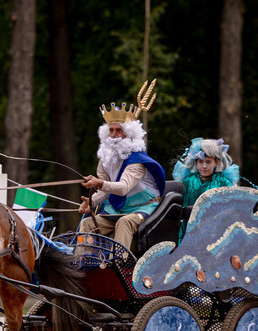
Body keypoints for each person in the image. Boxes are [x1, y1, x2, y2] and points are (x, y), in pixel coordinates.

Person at [78, 81, 168, 254]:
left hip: (143, 208)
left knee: (124, 222)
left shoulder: (138, 160)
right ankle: (81, 264)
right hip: (118, 209)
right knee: (87, 222)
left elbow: (122, 188)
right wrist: (91, 202)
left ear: (130, 134)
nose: (114, 136)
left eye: (119, 131)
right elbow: (105, 191)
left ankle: (120, 265)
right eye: (111, 131)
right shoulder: (105, 157)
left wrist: (98, 183)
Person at [172, 137, 239, 240]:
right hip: (190, 230)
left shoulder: (223, 182)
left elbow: (232, 206)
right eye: (200, 162)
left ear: (216, 163)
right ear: (195, 162)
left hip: (216, 230)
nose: (204, 166)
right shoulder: (188, 181)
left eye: (208, 162)